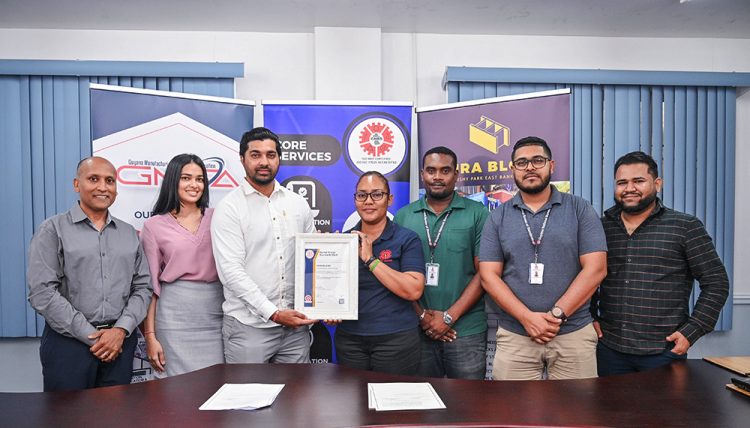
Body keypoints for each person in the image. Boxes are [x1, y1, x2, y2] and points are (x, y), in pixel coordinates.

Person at [479, 136, 607, 380]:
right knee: (514, 414)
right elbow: (488, 275)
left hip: (573, 334)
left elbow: (596, 269)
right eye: (522, 162)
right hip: (516, 335)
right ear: (512, 169)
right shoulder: (498, 216)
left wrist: (556, 315)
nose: (530, 167)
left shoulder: (580, 209)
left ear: (552, 165)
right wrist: (527, 318)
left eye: (538, 160)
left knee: (575, 414)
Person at [592, 151, 729, 376]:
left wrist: (692, 331)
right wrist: (591, 316)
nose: (629, 188)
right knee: (609, 411)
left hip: (663, 350)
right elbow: (587, 275)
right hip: (609, 349)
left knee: (663, 413)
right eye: (622, 182)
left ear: (657, 184)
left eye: (638, 181)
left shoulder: (685, 227)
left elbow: (717, 282)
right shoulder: (600, 227)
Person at [27, 156, 151, 391]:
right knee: (68, 419)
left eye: (110, 181)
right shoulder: (52, 230)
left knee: (113, 419)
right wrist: (92, 336)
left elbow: (143, 287)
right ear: (77, 184)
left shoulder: (128, 233)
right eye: (94, 179)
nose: (103, 187)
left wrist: (121, 329)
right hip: (68, 345)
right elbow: (42, 293)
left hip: (119, 345)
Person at [212, 127, 316, 363]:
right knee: (247, 398)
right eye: (255, 155)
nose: (264, 162)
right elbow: (231, 272)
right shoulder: (230, 208)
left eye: (270, 155)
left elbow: (312, 262)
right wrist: (275, 314)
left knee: (296, 398)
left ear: (279, 158)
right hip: (249, 329)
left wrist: (325, 302)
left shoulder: (298, 204)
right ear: (242, 159)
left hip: (295, 329)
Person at [394, 146, 489, 379]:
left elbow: (485, 273)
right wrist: (422, 316)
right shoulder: (404, 216)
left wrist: (449, 317)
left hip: (466, 331)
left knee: (468, 407)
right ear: (422, 174)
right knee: (422, 407)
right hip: (417, 329)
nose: (437, 177)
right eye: (431, 170)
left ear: (456, 175)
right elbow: (396, 277)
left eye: (445, 171)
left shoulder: (478, 214)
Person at [139, 154, 224, 377]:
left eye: (200, 179)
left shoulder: (220, 218)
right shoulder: (153, 226)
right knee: (175, 393)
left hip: (216, 317)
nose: (194, 185)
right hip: (173, 320)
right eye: (186, 178)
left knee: (214, 385)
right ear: (173, 180)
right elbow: (151, 287)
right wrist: (150, 336)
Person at [335, 171, 426, 375]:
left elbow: (413, 290)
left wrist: (370, 259)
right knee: (352, 403)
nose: (368, 201)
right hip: (350, 340)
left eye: (376, 194)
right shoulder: (343, 241)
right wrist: (329, 310)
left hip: (396, 339)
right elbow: (331, 289)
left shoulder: (407, 239)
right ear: (355, 200)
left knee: (394, 404)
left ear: (389, 199)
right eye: (362, 195)